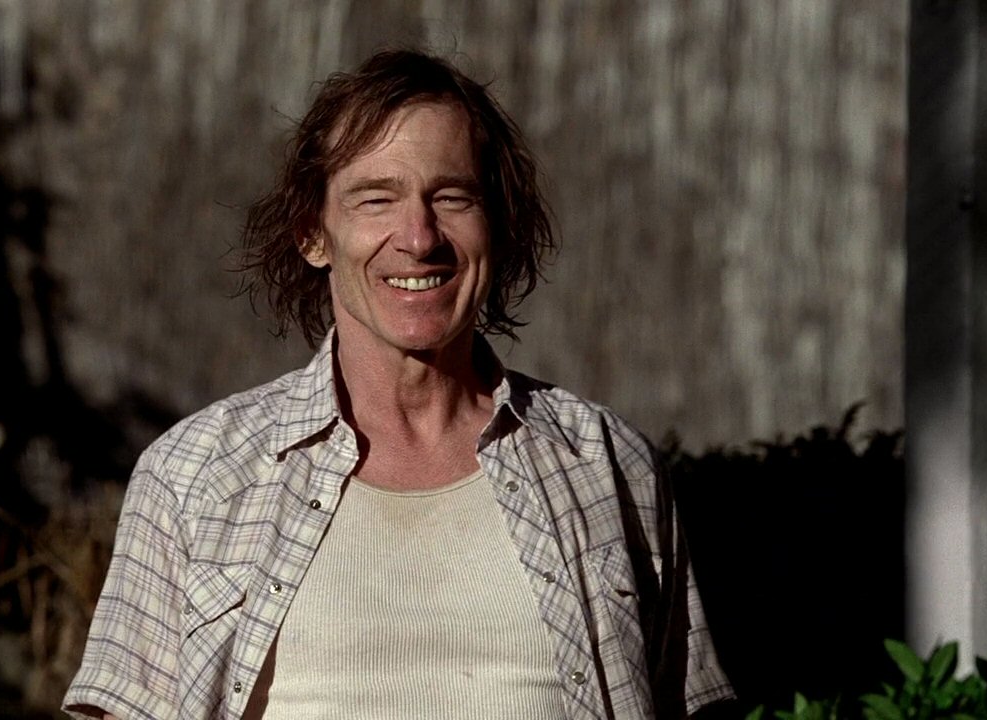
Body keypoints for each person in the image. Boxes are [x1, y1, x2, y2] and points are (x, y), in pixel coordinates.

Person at [63, 48, 733, 720]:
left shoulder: (605, 462)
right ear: (313, 234)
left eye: (452, 197)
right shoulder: (195, 473)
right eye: (376, 198)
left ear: (497, 224)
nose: (418, 237)